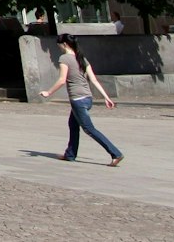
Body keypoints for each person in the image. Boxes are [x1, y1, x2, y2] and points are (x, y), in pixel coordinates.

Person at [39, 34, 122, 166]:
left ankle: (115, 153)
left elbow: (62, 80)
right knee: (73, 124)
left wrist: (48, 92)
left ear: (65, 44)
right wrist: (107, 97)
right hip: (88, 98)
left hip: (78, 99)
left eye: (59, 45)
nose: (59, 48)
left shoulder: (64, 58)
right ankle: (70, 154)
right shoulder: (81, 58)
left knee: (89, 129)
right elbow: (93, 79)